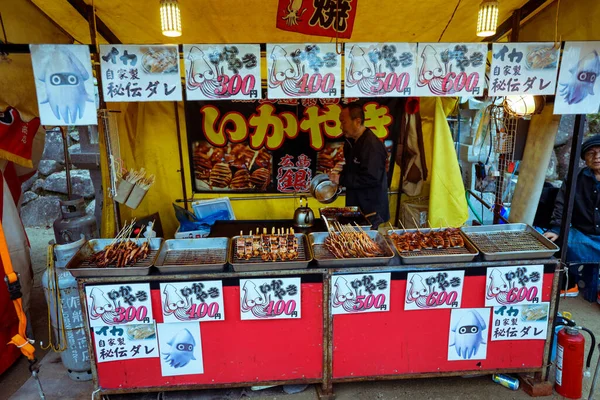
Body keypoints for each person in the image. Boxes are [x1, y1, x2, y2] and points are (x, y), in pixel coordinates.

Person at [544, 134, 600, 300]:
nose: (597, 157)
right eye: (591, 153)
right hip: (582, 235)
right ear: (584, 158)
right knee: (558, 241)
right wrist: (556, 229)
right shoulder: (575, 178)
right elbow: (561, 204)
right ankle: (570, 283)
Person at [329, 103, 390, 229]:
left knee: (368, 245)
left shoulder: (371, 146)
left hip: (371, 210)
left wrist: (341, 179)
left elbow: (371, 177)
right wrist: (340, 172)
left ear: (357, 121)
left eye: (343, 122)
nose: (341, 126)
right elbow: (354, 168)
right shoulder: (351, 142)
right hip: (357, 205)